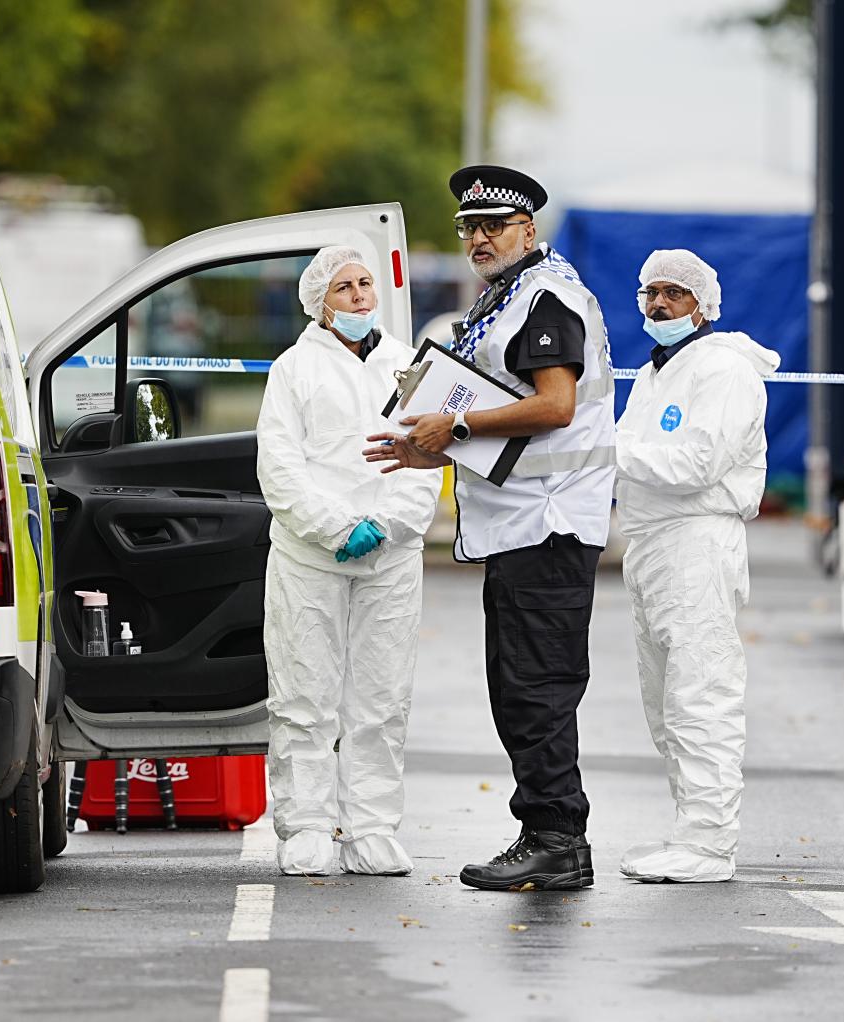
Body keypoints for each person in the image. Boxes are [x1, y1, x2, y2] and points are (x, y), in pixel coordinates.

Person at [365, 166, 615, 891]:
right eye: (469, 228)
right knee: (517, 687)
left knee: (538, 689)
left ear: (527, 230)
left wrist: (460, 423)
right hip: (519, 525)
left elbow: (555, 405)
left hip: (550, 522)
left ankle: (558, 838)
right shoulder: (506, 296)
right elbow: (500, 414)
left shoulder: (546, 297)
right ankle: (545, 830)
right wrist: (428, 447)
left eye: (493, 226)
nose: (478, 238)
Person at [256, 245, 441, 876]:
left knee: (382, 697)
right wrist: (338, 527)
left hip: (391, 558)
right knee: (304, 694)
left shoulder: (409, 367)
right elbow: (278, 469)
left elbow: (426, 457)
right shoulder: (294, 369)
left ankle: (371, 828)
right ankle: (305, 825)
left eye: (366, 284)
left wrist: (387, 525)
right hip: (311, 559)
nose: (361, 296)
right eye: (345, 288)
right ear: (320, 303)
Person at [613, 249, 778, 883]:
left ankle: (710, 843)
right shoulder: (659, 372)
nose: (658, 305)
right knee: (663, 702)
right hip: (652, 545)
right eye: (650, 293)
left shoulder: (724, 371)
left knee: (700, 693)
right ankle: (689, 830)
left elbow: (696, 466)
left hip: (697, 542)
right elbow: (636, 457)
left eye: (673, 295)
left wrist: (610, 448)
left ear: (703, 306)